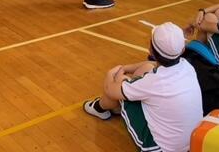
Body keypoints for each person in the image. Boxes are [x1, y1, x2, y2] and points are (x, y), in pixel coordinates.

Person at [83, 22, 203, 152]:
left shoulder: (154, 82)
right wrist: (126, 68)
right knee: (146, 68)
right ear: (182, 50)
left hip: (159, 148)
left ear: (151, 50)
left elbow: (110, 90)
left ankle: (99, 108)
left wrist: (113, 72)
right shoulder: (186, 66)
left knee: (121, 81)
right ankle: (111, 108)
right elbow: (152, 64)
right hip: (192, 143)